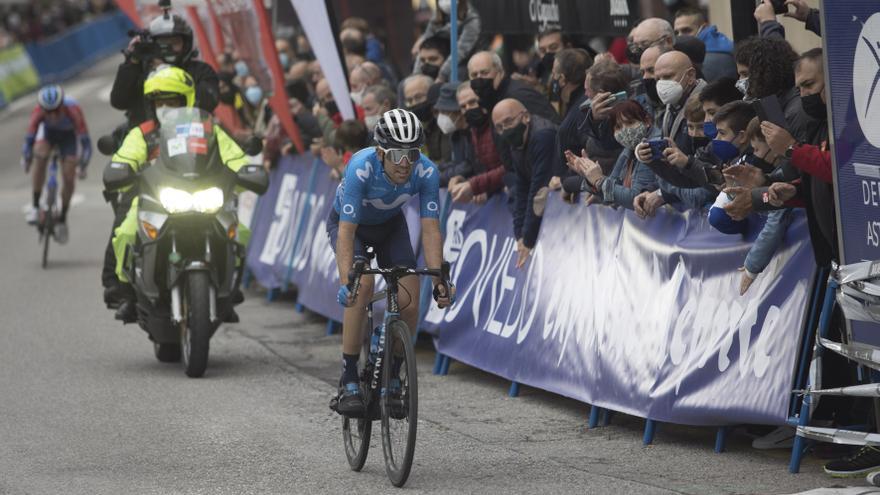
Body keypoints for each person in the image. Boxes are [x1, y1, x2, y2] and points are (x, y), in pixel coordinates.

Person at [328, 109, 453, 415]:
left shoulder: (426, 172)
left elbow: (430, 228)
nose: (404, 163)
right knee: (363, 287)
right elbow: (346, 232)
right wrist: (348, 281)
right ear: (381, 152)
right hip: (350, 228)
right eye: (397, 154)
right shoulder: (360, 166)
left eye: (411, 154)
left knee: (409, 299)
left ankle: (394, 376)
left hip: (389, 227)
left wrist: (438, 279)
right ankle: (349, 378)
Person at [109, 65, 250, 323]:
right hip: (156, 198)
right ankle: (127, 293)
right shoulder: (142, 133)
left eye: (173, 101)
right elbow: (125, 156)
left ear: (187, 100)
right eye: (160, 102)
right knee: (127, 231)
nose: (166, 108)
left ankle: (229, 290)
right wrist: (120, 168)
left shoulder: (209, 130)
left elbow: (234, 156)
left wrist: (248, 170)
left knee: (240, 230)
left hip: (204, 195)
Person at [110, 11, 218, 127]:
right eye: (163, 43)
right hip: (146, 139)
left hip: (190, 136)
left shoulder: (201, 70)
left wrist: (168, 72)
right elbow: (119, 102)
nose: (168, 48)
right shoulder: (139, 70)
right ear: (152, 44)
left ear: (186, 44)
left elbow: (209, 102)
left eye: (175, 43)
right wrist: (132, 62)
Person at [491, 99, 557, 269]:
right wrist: (519, 235)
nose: (505, 129)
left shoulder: (543, 136)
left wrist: (527, 239)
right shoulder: (516, 142)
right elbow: (522, 189)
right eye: (499, 127)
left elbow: (538, 191)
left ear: (526, 117)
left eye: (508, 121)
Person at [21, 84, 92, 243]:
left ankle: (62, 217)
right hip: (48, 135)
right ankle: (35, 206)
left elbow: (86, 143)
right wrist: (26, 158)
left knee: (68, 176)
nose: (52, 115)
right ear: (43, 109)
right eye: (48, 112)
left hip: (68, 138)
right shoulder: (38, 112)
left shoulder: (73, 111)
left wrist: (83, 165)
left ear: (62, 106)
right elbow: (29, 139)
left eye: (56, 111)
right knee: (39, 157)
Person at [564, 100, 658, 210]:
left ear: (647, 121)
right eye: (618, 127)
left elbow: (635, 198)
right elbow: (611, 194)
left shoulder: (652, 146)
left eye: (630, 122)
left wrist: (598, 180)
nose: (625, 130)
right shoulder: (628, 150)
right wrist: (589, 177)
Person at [448, 81, 505, 203]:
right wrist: (463, 178)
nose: (468, 109)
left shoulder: (499, 125)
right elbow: (481, 168)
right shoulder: (473, 130)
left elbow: (509, 169)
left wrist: (474, 185)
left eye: (472, 102)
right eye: (463, 107)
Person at [466, 51, 558, 123]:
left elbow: (549, 126)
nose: (479, 78)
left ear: (499, 72)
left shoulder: (519, 95)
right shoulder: (491, 99)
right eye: (474, 75)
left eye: (485, 73)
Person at [411, 0, 482, 83]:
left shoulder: (471, 18)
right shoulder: (438, 16)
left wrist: (442, 76)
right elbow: (425, 42)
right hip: (441, 61)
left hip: (463, 63)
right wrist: (416, 75)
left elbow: (460, 52)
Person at [673, 6, 737, 82]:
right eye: (676, 32)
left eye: (686, 30)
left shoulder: (714, 56)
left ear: (703, 28)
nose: (680, 36)